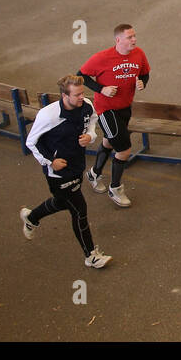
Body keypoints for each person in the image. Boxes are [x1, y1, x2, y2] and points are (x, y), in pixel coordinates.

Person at [21, 75, 112, 268]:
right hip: (58, 172)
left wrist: (90, 136)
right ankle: (91, 256)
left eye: (82, 93)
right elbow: (31, 142)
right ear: (64, 95)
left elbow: (93, 122)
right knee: (79, 210)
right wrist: (50, 161)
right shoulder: (49, 115)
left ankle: (31, 217)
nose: (82, 97)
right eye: (77, 94)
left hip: (77, 164)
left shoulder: (86, 105)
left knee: (63, 202)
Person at [79, 24, 150, 207]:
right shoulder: (102, 57)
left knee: (109, 142)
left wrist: (142, 83)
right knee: (124, 148)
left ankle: (94, 173)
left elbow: (145, 73)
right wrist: (101, 89)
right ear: (118, 40)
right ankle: (116, 188)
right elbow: (82, 76)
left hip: (125, 107)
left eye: (134, 36)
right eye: (129, 37)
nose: (133, 40)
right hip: (106, 109)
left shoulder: (139, 54)